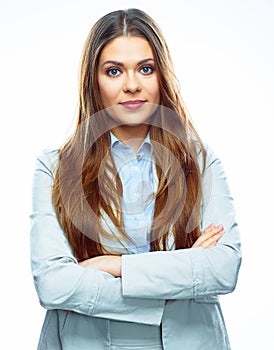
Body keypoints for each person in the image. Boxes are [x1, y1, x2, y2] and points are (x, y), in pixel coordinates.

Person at [30, 8, 242, 350]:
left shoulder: (200, 162)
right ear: (94, 81)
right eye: (114, 71)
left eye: (146, 69)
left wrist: (113, 266)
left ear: (161, 76)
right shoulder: (55, 168)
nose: (132, 85)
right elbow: (54, 285)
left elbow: (222, 269)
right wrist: (181, 279)